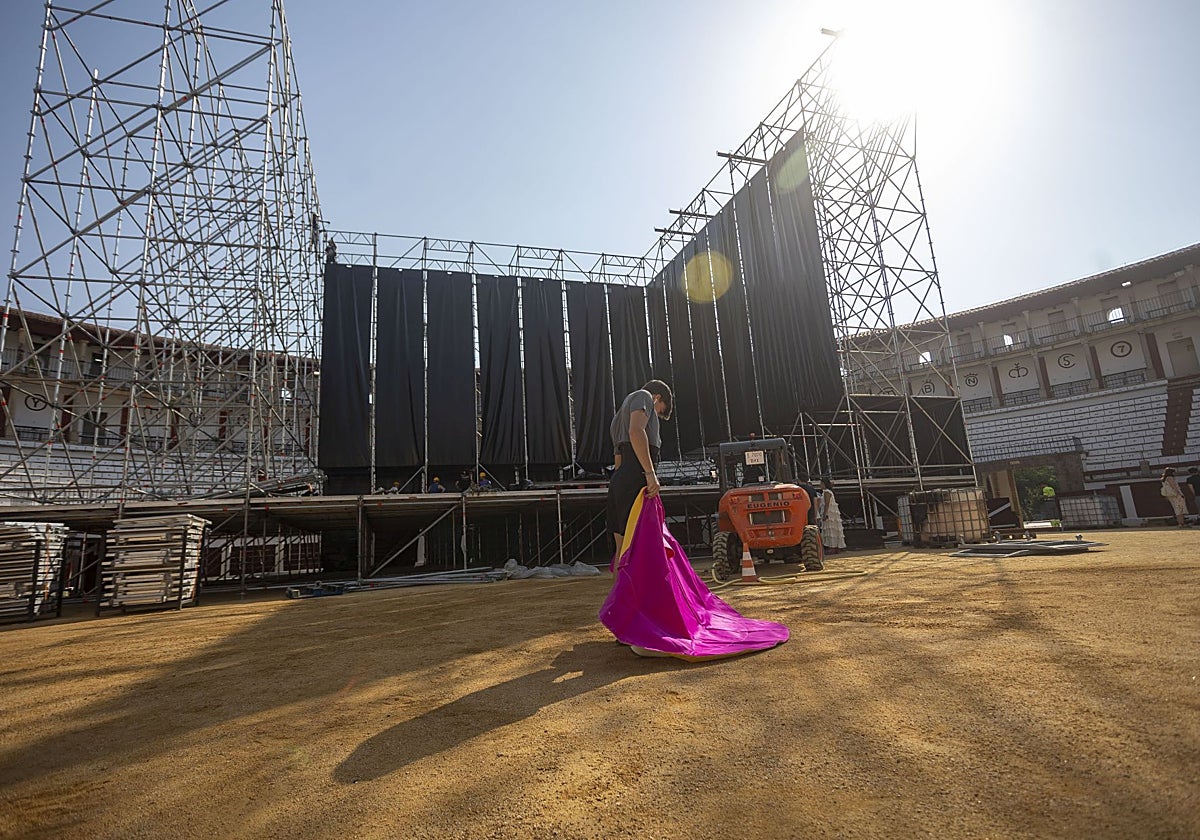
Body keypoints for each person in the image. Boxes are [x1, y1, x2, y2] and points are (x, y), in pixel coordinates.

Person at [607, 380, 673, 565]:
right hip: (637, 478)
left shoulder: (619, 416)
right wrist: (650, 474)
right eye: (659, 410)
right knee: (639, 546)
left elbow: (618, 459)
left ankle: (620, 594)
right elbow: (636, 431)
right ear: (657, 398)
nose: (655, 416)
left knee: (623, 549)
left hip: (620, 481)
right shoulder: (644, 396)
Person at [819, 479, 846, 554]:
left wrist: (825, 514)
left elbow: (827, 504)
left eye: (821, 483)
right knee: (833, 530)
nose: (820, 485)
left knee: (830, 530)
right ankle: (835, 546)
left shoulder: (826, 492)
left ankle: (832, 546)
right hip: (832, 513)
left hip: (830, 513)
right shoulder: (827, 492)